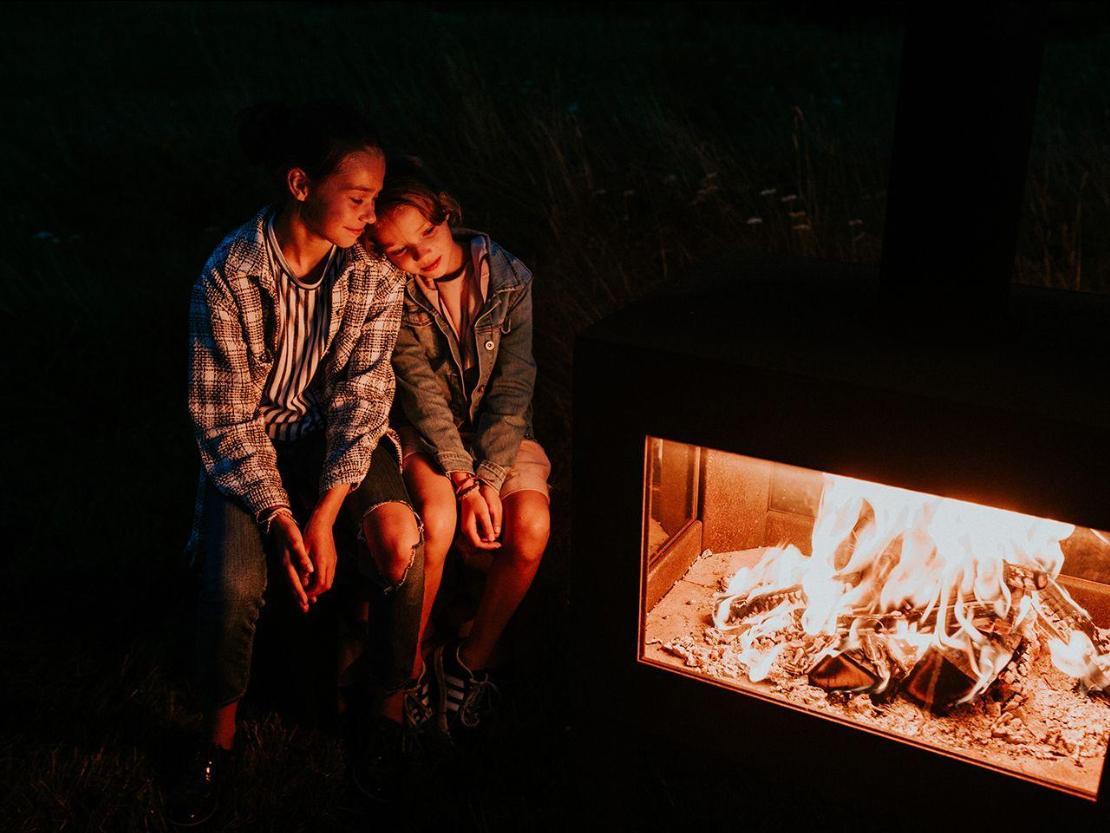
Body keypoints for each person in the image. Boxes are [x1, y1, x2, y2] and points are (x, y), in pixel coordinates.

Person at [171, 102, 424, 825]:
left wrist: (325, 512)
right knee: (235, 578)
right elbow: (225, 418)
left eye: (377, 198)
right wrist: (281, 517)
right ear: (300, 184)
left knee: (403, 543)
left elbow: (364, 391)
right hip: (256, 442)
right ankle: (215, 736)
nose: (371, 215)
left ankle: (387, 715)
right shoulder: (231, 275)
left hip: (340, 442)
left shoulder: (373, 270)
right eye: (358, 198)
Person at [367, 158, 551, 743]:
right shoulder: (395, 295)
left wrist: (491, 477)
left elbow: (515, 386)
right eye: (397, 250)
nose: (419, 255)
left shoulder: (509, 277)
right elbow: (420, 394)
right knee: (439, 522)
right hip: (431, 435)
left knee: (531, 530)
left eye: (425, 233)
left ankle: (468, 662)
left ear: (446, 214)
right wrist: (466, 483)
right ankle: (409, 665)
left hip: (500, 434)